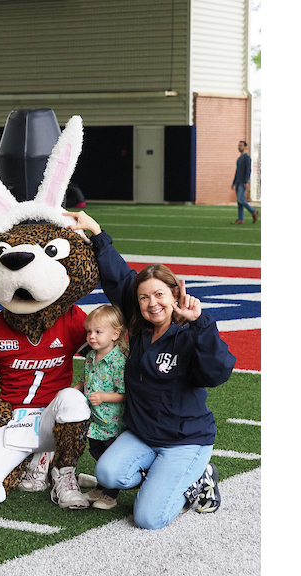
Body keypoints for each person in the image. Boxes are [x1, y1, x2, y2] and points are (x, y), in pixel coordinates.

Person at [63, 210, 236, 530]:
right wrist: (97, 233)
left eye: (159, 295)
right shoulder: (140, 325)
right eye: (144, 297)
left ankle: (197, 478)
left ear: (175, 295)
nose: (151, 303)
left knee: (148, 518)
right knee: (108, 473)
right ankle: (164, 475)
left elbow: (218, 372)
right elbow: (119, 278)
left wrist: (201, 325)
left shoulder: (190, 332)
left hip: (185, 439)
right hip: (143, 435)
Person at [72, 304, 127, 510]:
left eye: (98, 332)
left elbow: (125, 394)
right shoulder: (89, 357)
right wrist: (73, 390)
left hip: (112, 423)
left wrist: (104, 397)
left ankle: (110, 494)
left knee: (110, 457)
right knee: (96, 452)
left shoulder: (118, 363)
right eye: (89, 332)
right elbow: (84, 381)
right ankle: (101, 486)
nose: (92, 337)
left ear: (115, 334)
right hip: (95, 421)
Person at [231, 141, 258, 224]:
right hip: (238, 182)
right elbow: (237, 171)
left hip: (243, 182)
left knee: (240, 199)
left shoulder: (247, 158)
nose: (239, 147)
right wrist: (234, 182)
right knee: (239, 202)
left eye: (241, 146)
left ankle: (253, 211)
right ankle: (240, 219)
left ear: (245, 147)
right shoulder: (239, 158)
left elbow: (248, 170)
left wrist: (246, 181)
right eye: (238, 145)